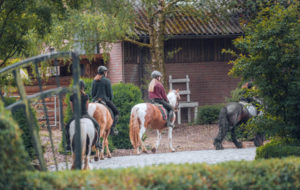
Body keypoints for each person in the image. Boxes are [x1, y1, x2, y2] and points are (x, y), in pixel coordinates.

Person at [65, 80, 101, 151]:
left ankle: (68, 144)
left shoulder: (72, 97)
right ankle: (97, 143)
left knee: (67, 127)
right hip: (85, 115)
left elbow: (72, 109)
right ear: (83, 87)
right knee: (97, 126)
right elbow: (87, 108)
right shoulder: (85, 96)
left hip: (76, 116)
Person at [91, 66, 119, 136]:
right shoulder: (107, 81)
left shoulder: (94, 81)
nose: (106, 73)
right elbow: (110, 94)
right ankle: (112, 129)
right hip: (105, 101)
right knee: (116, 113)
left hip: (95, 101)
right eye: (106, 72)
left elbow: (92, 94)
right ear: (104, 72)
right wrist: (110, 99)